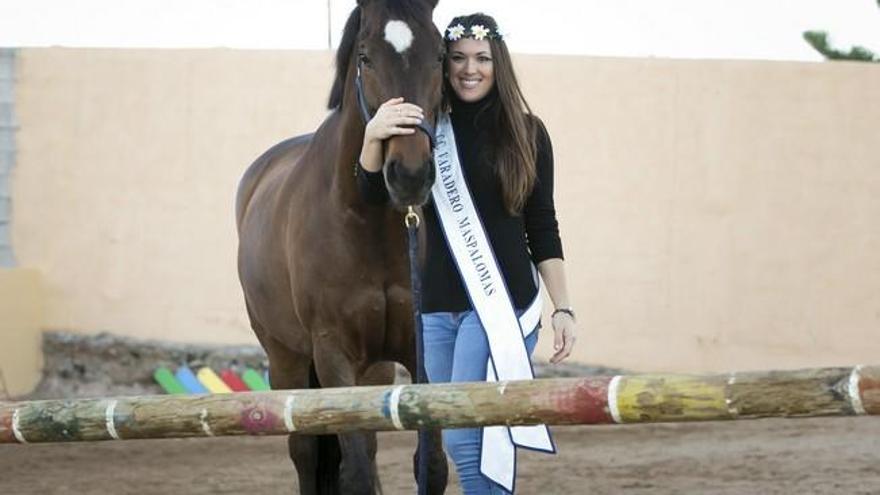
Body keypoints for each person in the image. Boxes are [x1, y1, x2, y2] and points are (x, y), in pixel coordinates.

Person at [357, 12, 577, 494]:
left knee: (461, 440)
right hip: (437, 310)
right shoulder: (425, 128)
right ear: (443, 64)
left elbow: (543, 228)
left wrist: (563, 307)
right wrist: (372, 135)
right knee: (467, 439)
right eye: (457, 58)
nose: (469, 69)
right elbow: (374, 198)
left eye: (481, 58)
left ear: (498, 63)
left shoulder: (527, 132)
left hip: (501, 303)